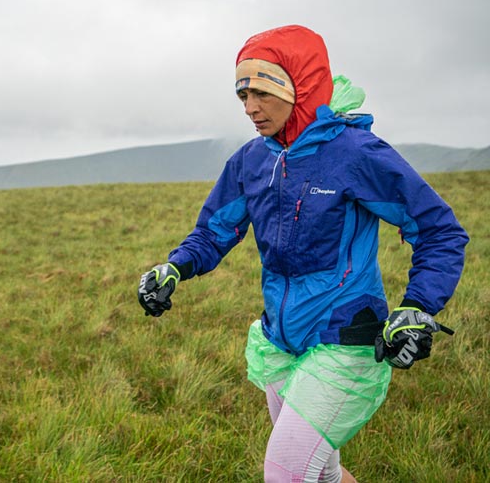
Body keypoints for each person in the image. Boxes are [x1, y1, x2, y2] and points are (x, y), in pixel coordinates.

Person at [136, 25, 468, 483]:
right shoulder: (251, 160)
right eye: (242, 96)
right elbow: (214, 231)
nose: (251, 108)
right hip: (280, 342)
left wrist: (417, 306)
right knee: (321, 471)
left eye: (262, 92)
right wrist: (174, 266)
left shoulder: (353, 152)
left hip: (344, 341)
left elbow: (439, 229)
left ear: (299, 85)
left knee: (287, 472)